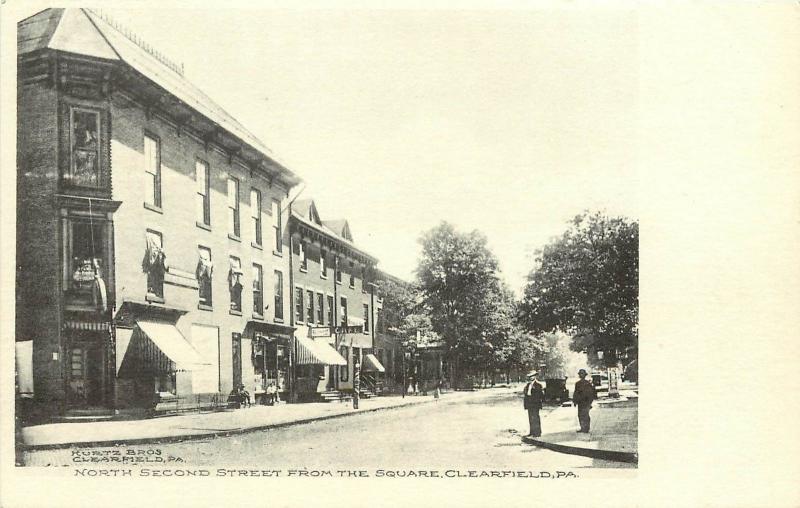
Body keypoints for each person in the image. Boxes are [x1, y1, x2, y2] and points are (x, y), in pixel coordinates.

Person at [573, 369, 597, 433]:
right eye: (580, 374)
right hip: (580, 402)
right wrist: (575, 401)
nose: (581, 375)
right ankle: (583, 428)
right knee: (580, 415)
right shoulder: (577, 384)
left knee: (586, 415)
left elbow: (591, 393)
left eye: (582, 374)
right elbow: (576, 393)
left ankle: (586, 428)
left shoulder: (588, 383)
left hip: (586, 402)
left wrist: (590, 402)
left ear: (584, 375)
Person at [522, 371, 544, 437]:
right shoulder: (528, 385)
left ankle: (537, 433)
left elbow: (541, 395)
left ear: (535, 376)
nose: (531, 377)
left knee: (536, 418)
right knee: (530, 418)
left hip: (535, 404)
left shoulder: (538, 385)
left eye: (532, 376)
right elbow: (526, 393)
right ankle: (532, 432)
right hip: (529, 404)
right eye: (530, 376)